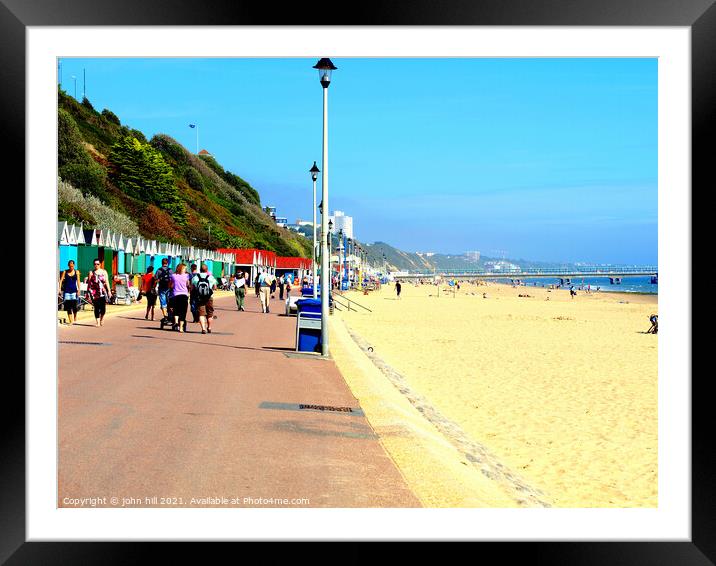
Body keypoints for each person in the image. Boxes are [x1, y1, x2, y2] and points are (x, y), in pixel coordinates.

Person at [192, 264, 217, 334]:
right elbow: (215, 287)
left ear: (200, 270)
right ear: (207, 270)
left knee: (201, 314)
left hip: (199, 298)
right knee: (210, 314)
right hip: (209, 297)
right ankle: (209, 327)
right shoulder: (211, 277)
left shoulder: (195, 277)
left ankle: (203, 329)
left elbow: (192, 288)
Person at [87, 258, 111, 327]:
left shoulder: (104, 272)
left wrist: (109, 291)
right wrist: (87, 293)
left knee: (103, 309)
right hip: (94, 293)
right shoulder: (91, 272)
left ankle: (101, 319)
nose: (96, 265)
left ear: (100, 264)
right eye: (95, 264)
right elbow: (89, 284)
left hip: (102, 292)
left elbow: (107, 282)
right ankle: (97, 322)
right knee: (96, 307)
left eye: (98, 264)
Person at [169, 263, 191, 332]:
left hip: (175, 295)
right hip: (184, 295)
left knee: (176, 309)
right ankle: (181, 327)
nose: (185, 270)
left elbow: (171, 285)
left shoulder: (173, 276)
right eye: (185, 268)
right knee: (183, 311)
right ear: (181, 269)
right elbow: (188, 284)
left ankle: (176, 322)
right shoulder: (187, 276)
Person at [58, 260, 81, 325]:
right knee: (68, 307)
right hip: (67, 292)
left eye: (72, 266)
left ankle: (75, 317)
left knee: (74, 307)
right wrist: (59, 289)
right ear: (68, 265)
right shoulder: (65, 272)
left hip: (74, 291)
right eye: (70, 266)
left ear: (74, 265)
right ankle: (71, 321)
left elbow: (78, 281)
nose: (71, 267)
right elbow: (61, 280)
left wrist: (79, 290)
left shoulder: (77, 272)